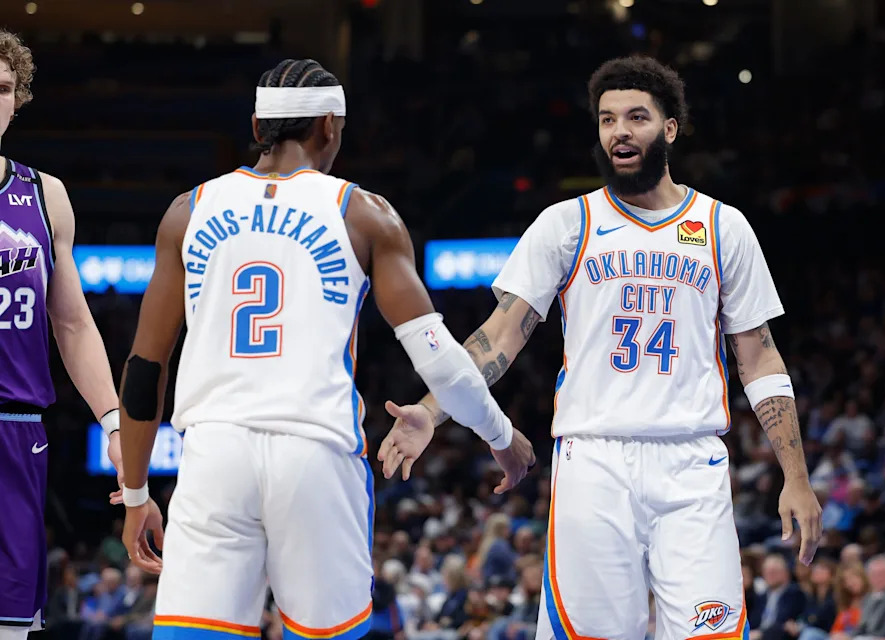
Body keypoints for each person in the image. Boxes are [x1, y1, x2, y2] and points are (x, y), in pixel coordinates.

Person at [377, 54, 823, 638]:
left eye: (636, 117)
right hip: (594, 461)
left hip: (692, 461)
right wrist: (432, 410)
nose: (619, 131)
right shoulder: (567, 223)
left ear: (669, 128)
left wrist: (796, 472)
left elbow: (760, 356)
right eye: (608, 119)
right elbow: (497, 337)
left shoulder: (723, 227)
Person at [116, 58, 535, 639]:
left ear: (258, 126)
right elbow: (440, 359)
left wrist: (136, 492)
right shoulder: (364, 213)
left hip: (213, 455)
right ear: (330, 127)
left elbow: (144, 370)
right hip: (313, 453)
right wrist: (501, 435)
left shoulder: (186, 211)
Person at [0, 30, 123, 640]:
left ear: (18, 98)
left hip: (17, 432)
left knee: (13, 623)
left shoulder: (45, 196)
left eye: (2, 89)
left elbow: (72, 324)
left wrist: (114, 421)